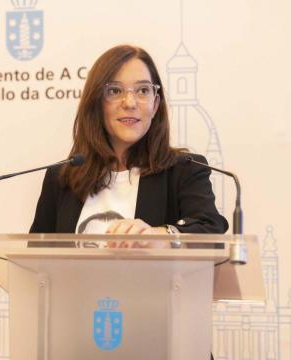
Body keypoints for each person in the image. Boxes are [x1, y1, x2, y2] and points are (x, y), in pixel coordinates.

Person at [30, 45, 227, 244]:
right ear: (96, 102)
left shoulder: (184, 170)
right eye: (115, 91)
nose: (130, 103)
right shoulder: (62, 178)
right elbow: (34, 258)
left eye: (143, 90)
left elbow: (210, 231)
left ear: (155, 104)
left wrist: (156, 235)